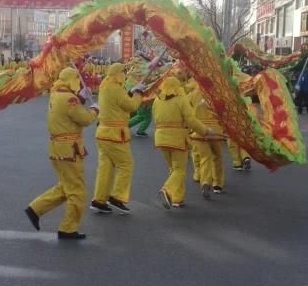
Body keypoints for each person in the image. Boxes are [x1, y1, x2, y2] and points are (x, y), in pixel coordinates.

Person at [25, 68, 99, 239]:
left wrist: (80, 97)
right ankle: (68, 228)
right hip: (69, 149)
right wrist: (95, 110)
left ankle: (35, 209)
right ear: (71, 80)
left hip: (57, 148)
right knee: (77, 191)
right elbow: (85, 119)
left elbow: (67, 112)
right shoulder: (70, 98)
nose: (78, 81)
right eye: (76, 79)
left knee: (66, 186)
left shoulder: (56, 94)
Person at [154, 76, 216, 209]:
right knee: (179, 169)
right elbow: (191, 120)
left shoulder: (157, 101)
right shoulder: (181, 100)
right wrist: (206, 131)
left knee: (173, 169)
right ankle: (167, 190)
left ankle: (177, 198)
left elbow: (156, 118)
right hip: (177, 139)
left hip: (160, 138)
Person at [90, 63, 143, 214]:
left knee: (105, 168)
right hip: (114, 133)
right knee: (126, 164)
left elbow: (119, 101)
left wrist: (131, 91)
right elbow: (131, 106)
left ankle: (99, 200)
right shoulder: (116, 88)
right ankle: (117, 197)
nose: (124, 74)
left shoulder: (105, 86)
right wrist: (138, 93)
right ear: (118, 73)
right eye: (123, 72)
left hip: (103, 132)